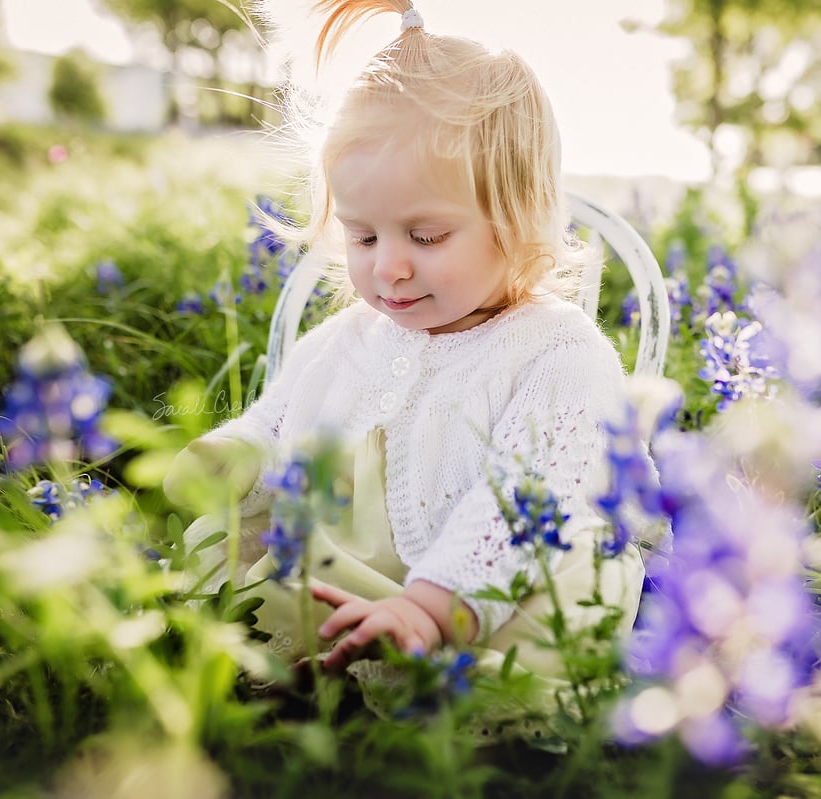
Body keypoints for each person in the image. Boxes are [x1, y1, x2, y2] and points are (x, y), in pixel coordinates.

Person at [164, 0, 657, 691]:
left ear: (518, 221)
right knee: (229, 552)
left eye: (424, 237)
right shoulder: (350, 335)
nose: (387, 266)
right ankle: (313, 659)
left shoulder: (559, 353)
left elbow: (526, 499)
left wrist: (429, 608)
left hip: (484, 590)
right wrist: (239, 450)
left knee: (565, 591)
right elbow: (282, 411)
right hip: (343, 572)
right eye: (363, 236)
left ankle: (406, 663)